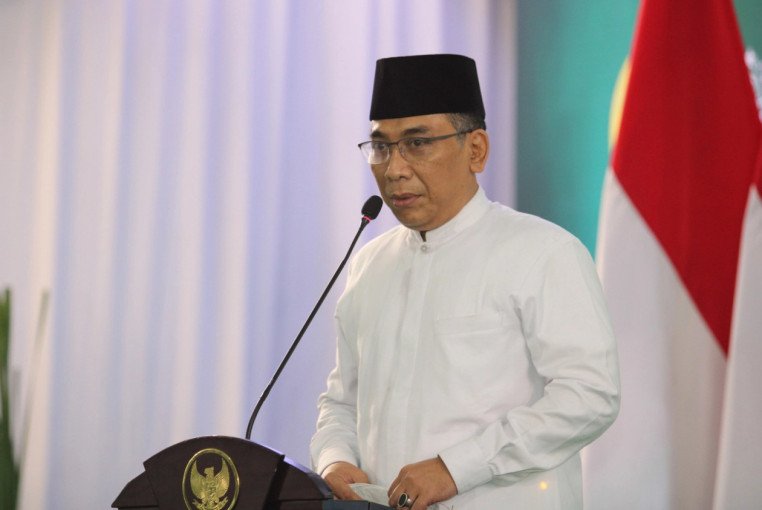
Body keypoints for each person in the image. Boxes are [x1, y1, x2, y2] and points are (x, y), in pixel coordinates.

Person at [310, 54, 620, 510]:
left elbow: (589, 397)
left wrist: (457, 467)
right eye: (380, 147)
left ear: (476, 150)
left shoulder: (543, 252)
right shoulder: (369, 265)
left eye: (417, 143)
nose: (393, 169)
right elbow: (341, 403)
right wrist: (334, 460)